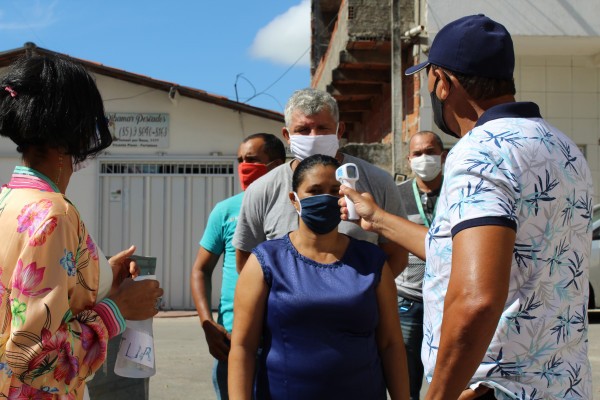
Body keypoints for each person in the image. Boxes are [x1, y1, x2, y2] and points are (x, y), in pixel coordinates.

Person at [340, 14, 593, 400]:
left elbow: (476, 299)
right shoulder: (564, 148)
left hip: (493, 389)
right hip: (562, 386)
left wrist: (438, 395)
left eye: (427, 79)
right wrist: (377, 219)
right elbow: (464, 254)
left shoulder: (480, 152)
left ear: (443, 82)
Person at [0, 54, 164, 399]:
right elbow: (36, 359)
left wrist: (103, 273)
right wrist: (119, 309)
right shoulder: (54, 213)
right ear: (76, 126)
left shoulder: (9, 200)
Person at [229, 154, 409, 400]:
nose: (326, 198)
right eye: (315, 190)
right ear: (294, 200)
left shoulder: (372, 262)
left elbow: (391, 344)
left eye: (335, 190)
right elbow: (243, 347)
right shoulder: (265, 261)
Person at [232, 88, 407, 275]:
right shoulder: (262, 189)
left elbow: (396, 254)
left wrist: (369, 294)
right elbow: (246, 261)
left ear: (340, 131)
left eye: (323, 128)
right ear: (287, 136)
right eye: (303, 130)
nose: (313, 137)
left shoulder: (378, 182)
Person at [190, 133, 286, 400]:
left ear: (276, 165)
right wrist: (207, 322)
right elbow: (201, 269)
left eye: (252, 160)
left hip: (285, 336)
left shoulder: (294, 207)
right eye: (240, 160)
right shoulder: (226, 210)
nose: (243, 166)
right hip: (234, 337)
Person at [396, 130, 446, 400]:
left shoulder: (459, 190)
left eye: (430, 152)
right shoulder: (396, 195)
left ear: (443, 155)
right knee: (406, 378)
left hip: (451, 298)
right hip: (408, 300)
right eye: (418, 154)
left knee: (454, 375)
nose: (424, 158)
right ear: (409, 159)